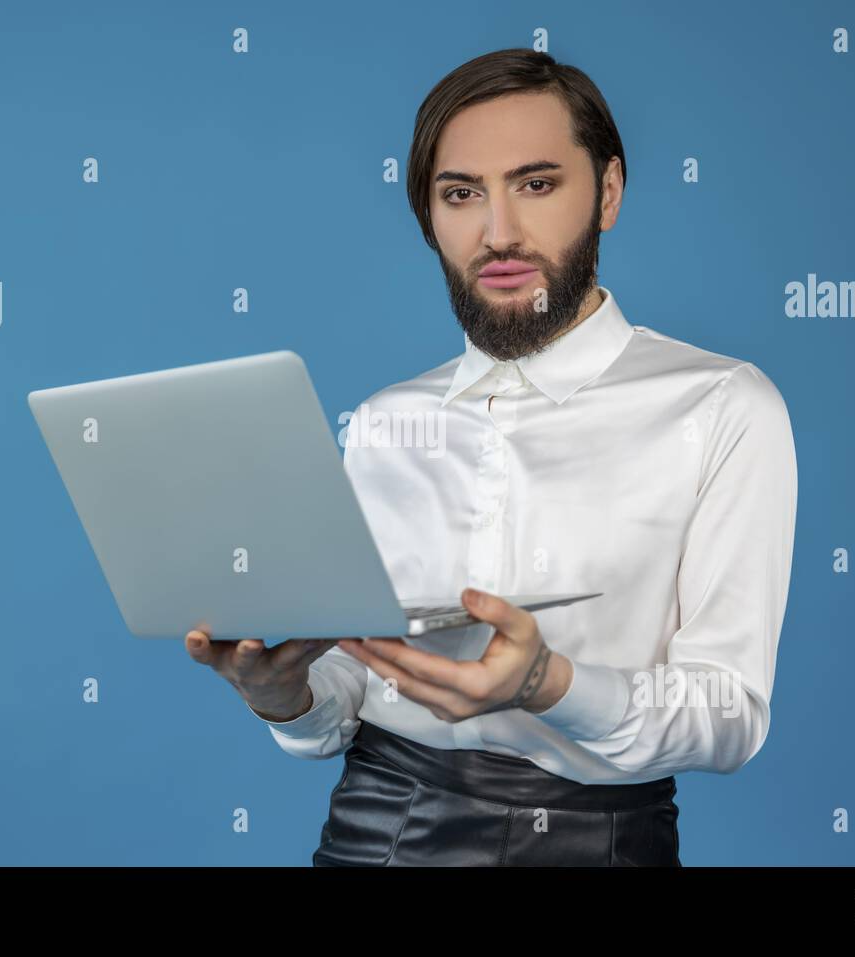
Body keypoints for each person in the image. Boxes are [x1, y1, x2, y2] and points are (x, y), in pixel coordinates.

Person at [185, 47, 798, 867]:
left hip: (603, 843)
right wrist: (282, 696)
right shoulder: (382, 423)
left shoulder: (724, 406)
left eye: (537, 184)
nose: (498, 232)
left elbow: (730, 715)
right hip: (376, 831)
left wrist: (547, 681)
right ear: (429, 218)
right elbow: (350, 699)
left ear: (608, 192)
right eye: (461, 194)